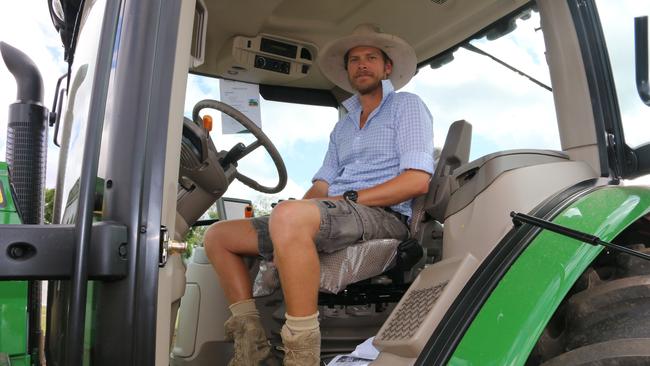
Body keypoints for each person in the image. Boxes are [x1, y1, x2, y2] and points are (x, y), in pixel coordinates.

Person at [203, 24, 434, 366]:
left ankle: (301, 355)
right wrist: (297, 208)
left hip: (383, 214)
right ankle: (251, 342)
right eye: (354, 60)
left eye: (371, 57)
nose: (362, 64)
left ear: (387, 68)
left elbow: (417, 181)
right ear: (348, 71)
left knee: (291, 215)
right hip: (338, 211)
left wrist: (347, 200)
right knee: (218, 235)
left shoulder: (406, 107)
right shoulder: (343, 125)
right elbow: (322, 186)